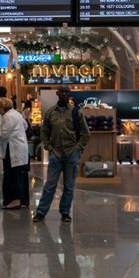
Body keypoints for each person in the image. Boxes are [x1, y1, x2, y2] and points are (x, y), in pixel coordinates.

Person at [34, 86, 90, 223]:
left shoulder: (76, 113)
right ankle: (41, 212)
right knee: (50, 185)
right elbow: (44, 132)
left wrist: (77, 148)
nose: (64, 95)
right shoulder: (50, 113)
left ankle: (65, 212)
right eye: (61, 92)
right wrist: (49, 147)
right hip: (56, 154)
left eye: (66, 92)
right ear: (57, 94)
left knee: (69, 186)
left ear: (69, 95)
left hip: (72, 154)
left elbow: (85, 134)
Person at [0, 98, 30, 210]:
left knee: (12, 174)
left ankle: (15, 200)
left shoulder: (8, 116)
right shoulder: (16, 113)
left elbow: (4, 134)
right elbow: (25, 125)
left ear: (2, 107)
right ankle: (21, 199)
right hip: (20, 147)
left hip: (13, 148)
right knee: (19, 174)